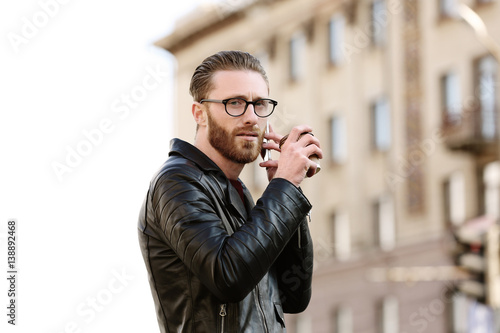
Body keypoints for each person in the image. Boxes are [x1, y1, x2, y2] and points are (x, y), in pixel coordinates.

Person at [137, 50, 322, 333]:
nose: (251, 117)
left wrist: (286, 189)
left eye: (259, 104)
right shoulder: (175, 182)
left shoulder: (239, 193)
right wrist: (283, 187)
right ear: (200, 113)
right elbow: (228, 276)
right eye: (234, 103)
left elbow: (293, 295)